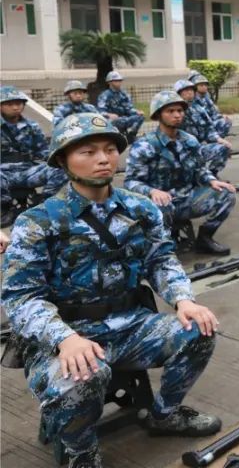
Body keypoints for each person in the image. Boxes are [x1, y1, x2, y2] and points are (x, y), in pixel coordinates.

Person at [2, 114, 222, 468]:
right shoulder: (38, 222)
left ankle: (163, 414)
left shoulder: (140, 208)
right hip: (67, 335)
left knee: (200, 327)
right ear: (63, 160)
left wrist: (183, 299)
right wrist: (64, 337)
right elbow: (20, 297)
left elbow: (161, 259)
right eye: (87, 151)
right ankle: (82, 452)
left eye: (109, 149)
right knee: (81, 374)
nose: (103, 159)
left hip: (132, 325)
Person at [126, 90, 236, 255]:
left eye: (180, 111)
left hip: (186, 199)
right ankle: (160, 249)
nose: (177, 115)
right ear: (158, 115)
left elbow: (199, 169)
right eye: (170, 111)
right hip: (158, 204)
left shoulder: (189, 141)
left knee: (226, 193)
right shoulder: (144, 146)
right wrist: (152, 191)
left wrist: (212, 180)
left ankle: (205, 238)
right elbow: (131, 182)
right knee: (161, 206)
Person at [1, 86, 67, 216]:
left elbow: (42, 151)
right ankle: (5, 208)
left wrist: (61, 159)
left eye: (18, 103)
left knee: (61, 168)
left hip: (28, 171)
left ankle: (45, 204)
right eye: (9, 104)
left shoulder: (32, 126)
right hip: (3, 172)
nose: (15, 107)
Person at [174, 80, 231, 177]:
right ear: (179, 93)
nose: (190, 92)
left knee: (224, 148)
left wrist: (219, 139)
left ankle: (211, 175)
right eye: (186, 90)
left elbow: (209, 128)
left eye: (192, 90)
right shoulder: (174, 111)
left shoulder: (199, 109)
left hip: (197, 147)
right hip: (180, 150)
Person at [95, 71, 144, 143]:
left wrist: (136, 111)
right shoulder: (105, 95)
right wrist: (109, 115)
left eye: (120, 80)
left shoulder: (124, 94)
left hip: (123, 118)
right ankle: (116, 137)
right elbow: (100, 111)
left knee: (140, 117)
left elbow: (129, 108)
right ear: (110, 82)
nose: (119, 82)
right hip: (111, 121)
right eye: (116, 81)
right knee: (117, 121)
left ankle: (131, 136)